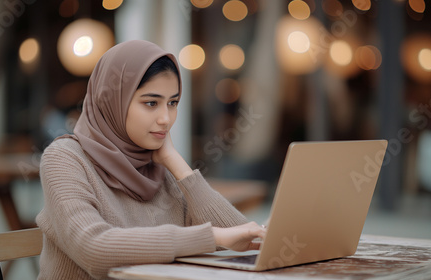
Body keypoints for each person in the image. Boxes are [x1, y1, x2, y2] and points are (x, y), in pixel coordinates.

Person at [36, 40, 266, 279]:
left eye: (173, 103)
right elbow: (95, 249)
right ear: (112, 99)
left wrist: (176, 163)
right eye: (151, 103)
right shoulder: (65, 158)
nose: (166, 118)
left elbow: (239, 238)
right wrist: (212, 237)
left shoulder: (158, 166)